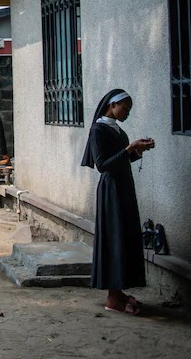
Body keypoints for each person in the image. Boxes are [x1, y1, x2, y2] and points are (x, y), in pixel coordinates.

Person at [81, 89, 155, 315]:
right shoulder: (98, 130)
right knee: (114, 238)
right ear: (112, 105)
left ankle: (119, 292)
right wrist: (129, 148)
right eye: (125, 108)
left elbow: (120, 159)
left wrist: (137, 150)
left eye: (129, 110)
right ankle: (113, 298)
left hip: (123, 187)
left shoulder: (115, 129)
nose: (127, 113)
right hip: (111, 190)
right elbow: (103, 164)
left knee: (123, 237)